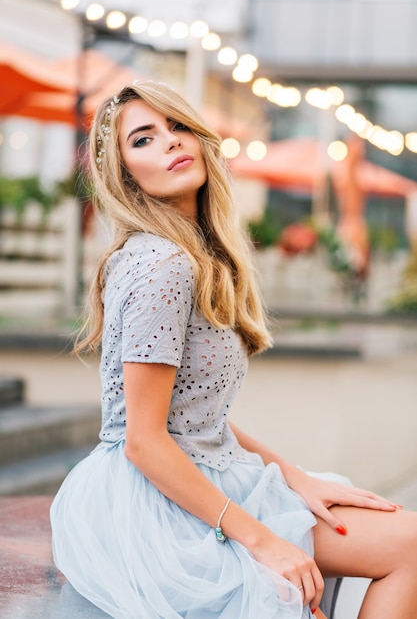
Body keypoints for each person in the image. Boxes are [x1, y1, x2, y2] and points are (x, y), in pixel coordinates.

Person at [50, 80, 417, 619]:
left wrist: (295, 476)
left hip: (199, 475)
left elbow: (193, 415)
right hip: (162, 507)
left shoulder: (183, 256)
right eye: (144, 139)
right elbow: (144, 442)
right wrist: (264, 542)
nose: (170, 142)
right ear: (124, 174)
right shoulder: (164, 267)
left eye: (177, 127)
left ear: (200, 139)